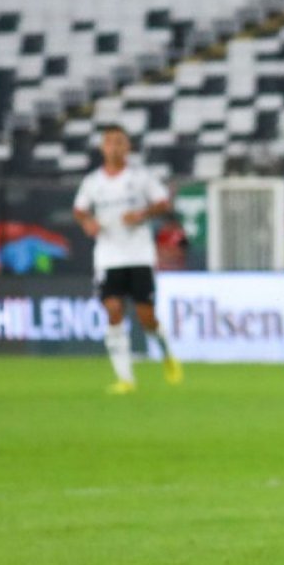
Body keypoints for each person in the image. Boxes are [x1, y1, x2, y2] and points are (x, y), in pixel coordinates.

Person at [72, 124, 183, 393]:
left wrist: (142, 214)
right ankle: (125, 379)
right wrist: (87, 223)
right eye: (109, 142)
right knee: (113, 310)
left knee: (146, 317)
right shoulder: (93, 182)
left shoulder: (141, 177)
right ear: (102, 147)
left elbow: (163, 202)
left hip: (139, 254)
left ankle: (167, 352)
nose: (114, 147)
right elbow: (79, 210)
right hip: (108, 256)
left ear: (128, 147)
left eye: (119, 142)